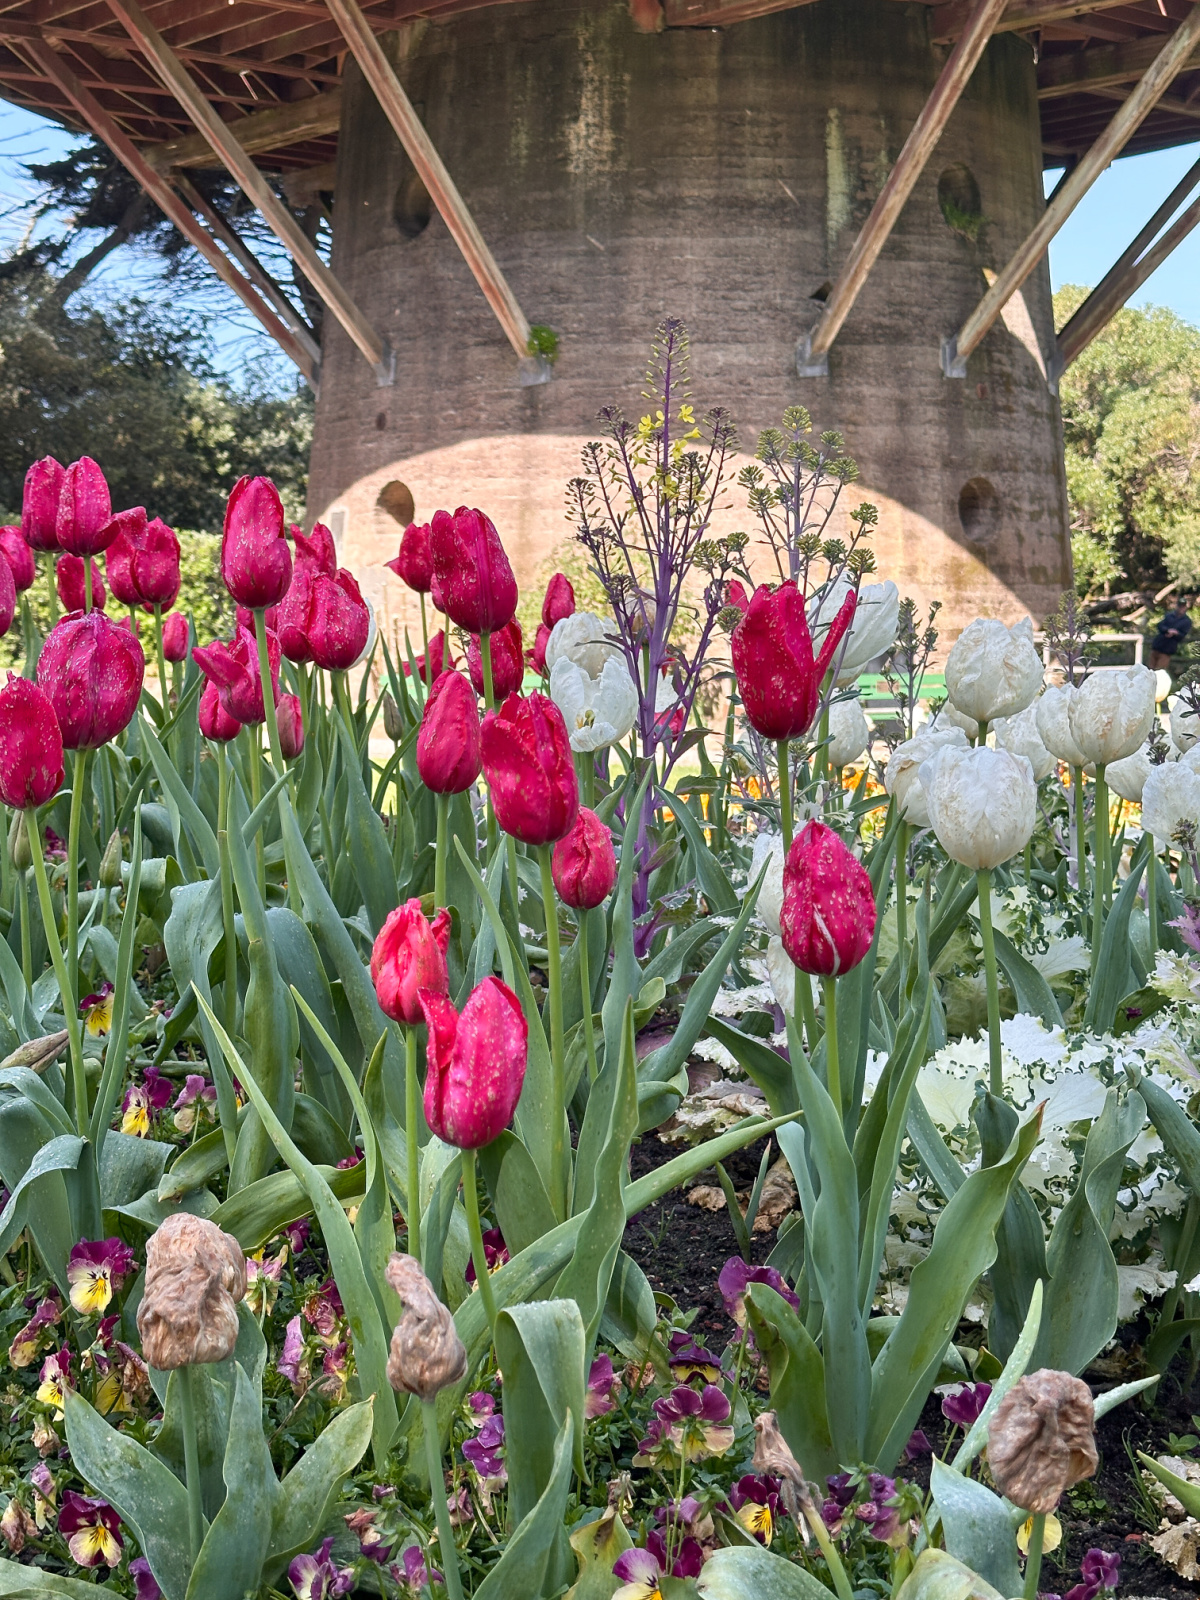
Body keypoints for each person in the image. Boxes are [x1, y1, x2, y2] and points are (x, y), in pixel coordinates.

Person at [1150, 596, 1193, 673]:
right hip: (1158, 645)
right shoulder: (1169, 616)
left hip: (1168, 649)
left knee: (1159, 672)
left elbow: (1182, 635)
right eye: (1179, 606)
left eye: (1183, 606)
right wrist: (1167, 630)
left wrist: (1175, 633)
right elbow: (1160, 625)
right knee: (1149, 670)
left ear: (1185, 607)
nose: (1181, 608)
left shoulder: (1187, 621)